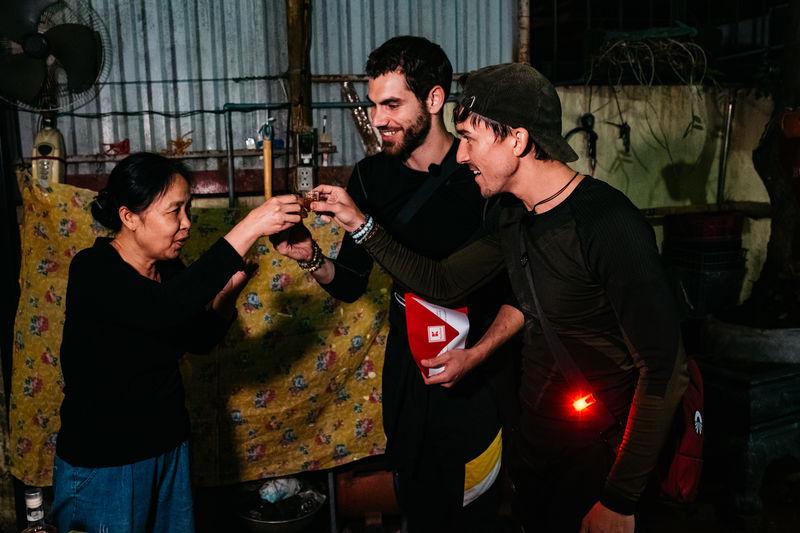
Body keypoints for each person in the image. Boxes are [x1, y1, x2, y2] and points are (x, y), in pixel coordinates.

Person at [310, 63, 690, 533]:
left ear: (517, 140)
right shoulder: (510, 215)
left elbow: (664, 369)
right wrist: (358, 224)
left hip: (599, 461)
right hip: (538, 453)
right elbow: (442, 282)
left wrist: (620, 498)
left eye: (470, 138)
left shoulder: (608, 224)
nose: (461, 154)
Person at [272, 37, 516, 531]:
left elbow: (515, 290)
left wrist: (478, 356)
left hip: (478, 376)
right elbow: (350, 283)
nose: (377, 118)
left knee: (474, 515)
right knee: (420, 506)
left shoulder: (482, 175)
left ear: (434, 99)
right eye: (373, 105)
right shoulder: (370, 177)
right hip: (410, 375)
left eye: (392, 104)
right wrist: (311, 257)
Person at [52, 152, 302, 532]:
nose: (186, 223)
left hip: (167, 449)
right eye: (174, 211)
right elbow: (162, 310)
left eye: (188, 209)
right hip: (106, 464)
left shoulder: (168, 271)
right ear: (129, 217)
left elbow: (196, 338)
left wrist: (226, 296)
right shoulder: (94, 270)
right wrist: (251, 225)